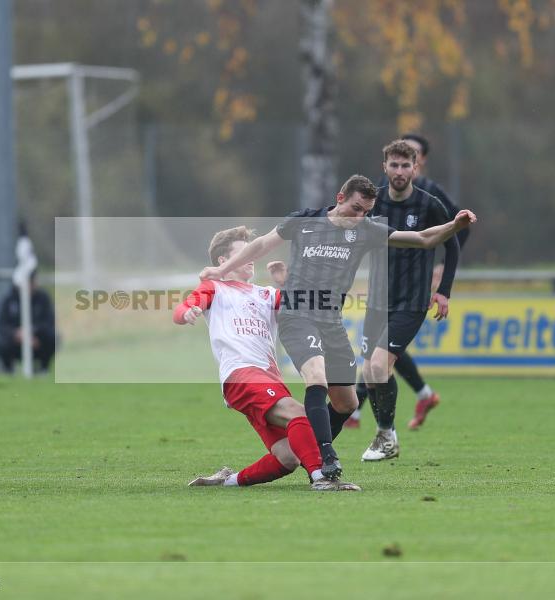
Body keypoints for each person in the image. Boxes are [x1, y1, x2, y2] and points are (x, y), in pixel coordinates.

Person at [200, 175, 476, 482]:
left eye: (366, 212)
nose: (359, 218)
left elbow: (423, 238)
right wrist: (220, 271)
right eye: (356, 209)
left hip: (330, 322)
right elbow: (261, 245)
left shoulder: (366, 230)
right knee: (316, 377)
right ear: (340, 198)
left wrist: (454, 225)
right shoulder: (304, 221)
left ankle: (302, 451)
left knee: (348, 402)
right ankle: (325, 461)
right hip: (297, 316)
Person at [176, 226, 359, 491]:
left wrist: (286, 283)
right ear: (223, 261)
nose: (250, 258)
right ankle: (322, 478)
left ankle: (225, 481)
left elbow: (302, 308)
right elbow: (182, 307)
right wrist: (188, 312)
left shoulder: (266, 294)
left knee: (288, 456)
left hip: (267, 377)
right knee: (300, 413)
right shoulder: (214, 288)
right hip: (241, 374)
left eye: (252, 253)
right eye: (242, 253)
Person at [352, 133, 471, 431]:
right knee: (373, 366)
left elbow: (454, 237)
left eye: (407, 164)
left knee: (380, 362)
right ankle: (416, 397)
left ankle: (379, 428)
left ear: (418, 165)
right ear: (385, 167)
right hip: (379, 297)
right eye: (395, 165)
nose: (400, 171)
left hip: (413, 295)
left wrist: (443, 286)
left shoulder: (430, 198)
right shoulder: (373, 201)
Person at [0, 271, 56, 373]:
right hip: (15, 342)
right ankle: (8, 372)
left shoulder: (43, 298)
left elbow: (49, 322)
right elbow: (0, 326)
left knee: (52, 338)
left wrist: (32, 332)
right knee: (2, 343)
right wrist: (16, 334)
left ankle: (43, 370)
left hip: (37, 341)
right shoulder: (8, 299)